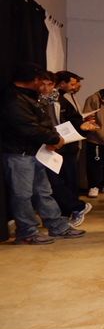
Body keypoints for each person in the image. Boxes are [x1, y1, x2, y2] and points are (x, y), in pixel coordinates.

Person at [1, 64, 86, 244]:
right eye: (41, 81)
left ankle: (57, 226)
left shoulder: (30, 97)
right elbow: (27, 126)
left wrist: (52, 137)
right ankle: (27, 232)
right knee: (22, 195)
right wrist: (53, 138)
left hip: (35, 152)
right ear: (33, 80)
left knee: (44, 191)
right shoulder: (13, 99)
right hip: (19, 154)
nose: (44, 85)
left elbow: (43, 121)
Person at [41, 72, 94, 226]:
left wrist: (82, 125)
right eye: (43, 84)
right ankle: (70, 210)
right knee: (51, 183)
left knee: (64, 181)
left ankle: (69, 212)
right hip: (47, 146)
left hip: (65, 145)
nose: (47, 88)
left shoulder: (59, 99)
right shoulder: (39, 100)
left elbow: (73, 118)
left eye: (50, 84)